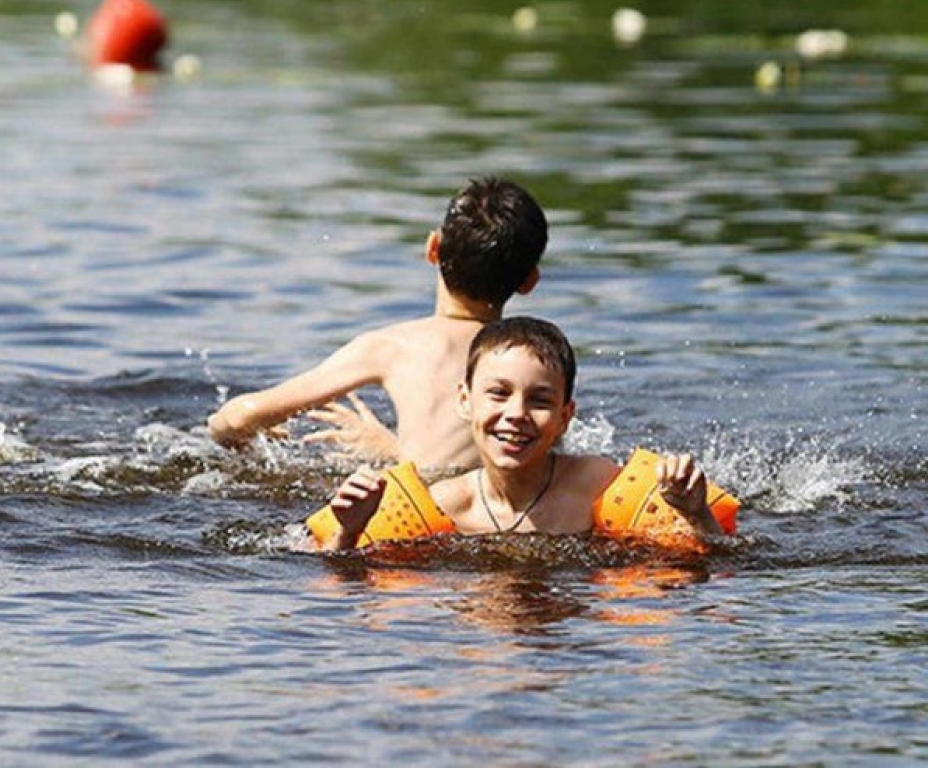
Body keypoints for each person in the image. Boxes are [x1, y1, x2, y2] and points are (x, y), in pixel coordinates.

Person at [207, 177, 548, 472]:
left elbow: (237, 418)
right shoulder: (536, 361)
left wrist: (391, 452)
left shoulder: (392, 347)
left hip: (417, 511)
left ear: (432, 248)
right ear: (529, 281)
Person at [323, 317, 726, 550]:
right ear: (465, 401)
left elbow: (711, 566)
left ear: (565, 416)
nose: (516, 414)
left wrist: (696, 513)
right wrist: (349, 530)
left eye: (539, 400)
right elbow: (343, 591)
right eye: (498, 394)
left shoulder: (598, 489)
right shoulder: (444, 507)